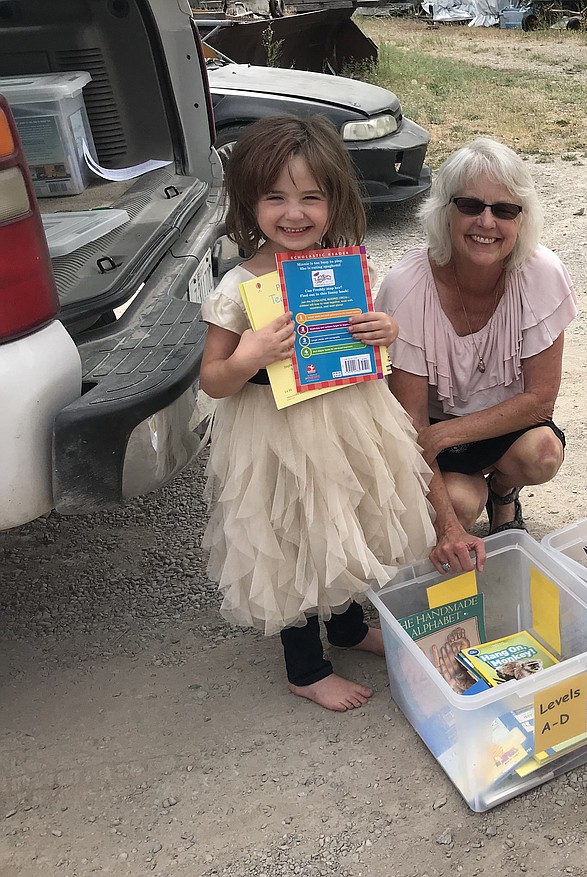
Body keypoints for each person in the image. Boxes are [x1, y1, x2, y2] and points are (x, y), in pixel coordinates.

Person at [199, 115, 436, 712]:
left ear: (335, 200)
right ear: (249, 201)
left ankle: (350, 628)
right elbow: (213, 378)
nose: (293, 213)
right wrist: (248, 354)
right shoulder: (237, 285)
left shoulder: (342, 268)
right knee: (294, 534)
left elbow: (367, 349)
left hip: (345, 418)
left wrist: (385, 330)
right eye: (275, 197)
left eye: (311, 196)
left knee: (347, 513)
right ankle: (305, 666)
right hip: (275, 431)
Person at [377, 136, 577, 572]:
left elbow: (541, 400)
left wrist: (448, 435)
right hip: (431, 430)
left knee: (543, 452)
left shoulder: (541, 273)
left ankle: (504, 493)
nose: (486, 222)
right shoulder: (406, 288)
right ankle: (476, 498)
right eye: (470, 206)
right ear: (444, 211)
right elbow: (412, 425)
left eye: (504, 210)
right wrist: (450, 527)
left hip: (497, 423)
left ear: (522, 220)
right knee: (461, 504)